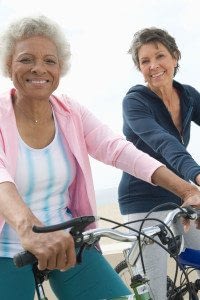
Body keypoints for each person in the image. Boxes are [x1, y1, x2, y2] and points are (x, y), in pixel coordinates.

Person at [0, 17, 199, 300]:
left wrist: (188, 189)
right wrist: (29, 228)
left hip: (69, 243)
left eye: (49, 61)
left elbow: (119, 150)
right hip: (7, 249)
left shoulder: (70, 112)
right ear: (9, 64)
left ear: (60, 68)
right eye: (26, 59)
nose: (39, 68)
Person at [118, 27, 200, 299]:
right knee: (154, 291)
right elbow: (164, 143)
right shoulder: (135, 101)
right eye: (144, 61)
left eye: (160, 56)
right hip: (143, 199)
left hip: (181, 194)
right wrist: (197, 176)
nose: (153, 66)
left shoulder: (188, 96)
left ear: (175, 57)